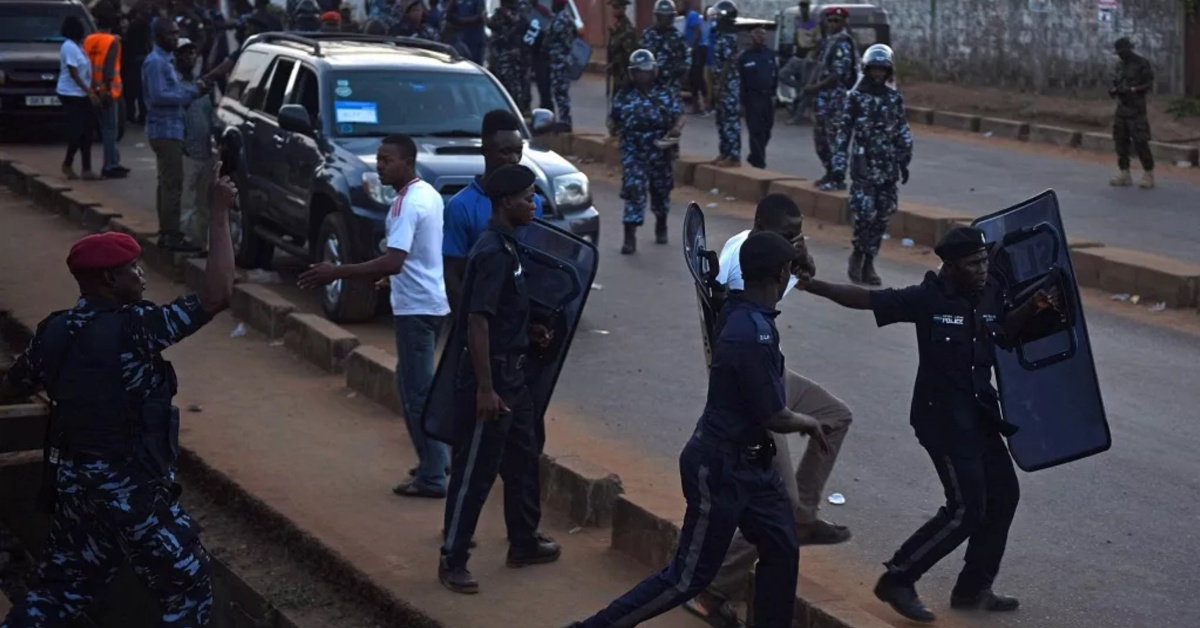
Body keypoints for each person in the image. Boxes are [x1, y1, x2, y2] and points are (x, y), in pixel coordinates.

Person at [0, 166, 238, 628]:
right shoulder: (136, 327)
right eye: (133, 267)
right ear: (110, 279)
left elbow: (13, 385)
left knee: (60, 590)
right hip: (130, 494)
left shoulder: (53, 331)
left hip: (75, 491)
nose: (141, 274)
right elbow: (216, 295)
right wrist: (219, 211)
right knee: (186, 588)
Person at [565, 231, 831, 628]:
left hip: (755, 469)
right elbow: (774, 416)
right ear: (778, 274)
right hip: (721, 469)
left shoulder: (741, 310)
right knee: (688, 577)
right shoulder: (750, 334)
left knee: (782, 546)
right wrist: (810, 422)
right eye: (788, 271)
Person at [800, 226, 1065, 623]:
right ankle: (898, 579)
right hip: (941, 420)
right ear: (951, 265)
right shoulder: (928, 298)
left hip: (979, 415)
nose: (981, 269)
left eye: (983, 261)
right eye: (973, 264)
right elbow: (866, 298)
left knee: (1004, 496)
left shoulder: (990, 291)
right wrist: (812, 286)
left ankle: (974, 588)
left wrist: (1037, 305)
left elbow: (1004, 331)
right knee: (965, 509)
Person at [684, 194, 854, 626]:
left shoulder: (768, 247)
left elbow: (808, 274)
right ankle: (713, 587)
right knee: (778, 507)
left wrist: (801, 248)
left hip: (771, 369)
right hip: (753, 386)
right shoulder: (747, 263)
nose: (790, 247)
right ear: (760, 228)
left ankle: (805, 518)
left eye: (795, 236)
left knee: (835, 416)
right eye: (785, 237)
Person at [297, 135, 453, 499]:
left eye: (387, 160)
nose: (380, 165)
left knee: (416, 395)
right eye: (379, 159)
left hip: (417, 310)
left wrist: (337, 271)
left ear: (407, 162)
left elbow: (394, 260)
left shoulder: (405, 204)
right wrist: (387, 274)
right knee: (412, 385)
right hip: (430, 303)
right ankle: (436, 460)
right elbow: (416, 255)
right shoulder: (427, 193)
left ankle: (432, 475)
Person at [438, 163, 560, 594]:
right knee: (475, 472)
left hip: (514, 376)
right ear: (506, 202)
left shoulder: (509, 248)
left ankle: (523, 542)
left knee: (524, 460)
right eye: (528, 198)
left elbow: (502, 314)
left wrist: (530, 330)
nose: (534, 204)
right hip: (490, 381)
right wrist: (486, 389)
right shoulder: (491, 252)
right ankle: (453, 559)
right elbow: (476, 323)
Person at [443, 109, 545, 312]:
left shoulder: (533, 202)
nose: (514, 159)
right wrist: (468, 322)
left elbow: (535, 265)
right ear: (485, 151)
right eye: (505, 152)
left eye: (518, 151)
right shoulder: (461, 206)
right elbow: (453, 275)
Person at [830, 45, 912, 286]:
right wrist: (838, 164)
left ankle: (870, 260)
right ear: (866, 70)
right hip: (863, 167)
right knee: (865, 214)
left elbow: (902, 130)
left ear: (888, 72)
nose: (878, 74)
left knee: (883, 216)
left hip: (888, 168)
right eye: (874, 69)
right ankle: (858, 254)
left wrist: (904, 159)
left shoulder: (894, 98)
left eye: (882, 69)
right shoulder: (855, 98)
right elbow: (843, 132)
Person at [609, 49, 684, 255]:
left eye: (646, 71)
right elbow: (613, 120)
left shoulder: (665, 93)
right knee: (634, 188)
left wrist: (676, 130)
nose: (643, 75)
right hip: (633, 148)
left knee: (661, 190)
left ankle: (661, 223)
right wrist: (615, 130)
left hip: (660, 148)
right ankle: (629, 236)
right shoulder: (624, 95)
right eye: (639, 72)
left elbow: (680, 115)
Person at [144, 16, 206, 252]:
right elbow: (160, 95)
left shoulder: (165, 61)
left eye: (177, 33)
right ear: (159, 37)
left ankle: (168, 232)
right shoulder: (156, 63)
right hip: (164, 129)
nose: (175, 38)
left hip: (170, 128)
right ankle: (171, 235)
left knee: (168, 183)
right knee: (173, 184)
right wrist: (190, 93)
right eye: (171, 34)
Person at [804, 6, 857, 191]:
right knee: (821, 140)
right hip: (823, 99)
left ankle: (838, 178)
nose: (832, 24)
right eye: (830, 20)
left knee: (836, 140)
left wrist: (815, 87)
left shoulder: (842, 43)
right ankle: (828, 172)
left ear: (843, 22)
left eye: (836, 20)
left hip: (836, 98)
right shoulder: (828, 42)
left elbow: (838, 75)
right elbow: (819, 66)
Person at [177, 38, 219, 253]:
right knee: (187, 199)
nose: (189, 57)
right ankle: (187, 238)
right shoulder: (175, 86)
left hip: (204, 150)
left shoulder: (201, 86)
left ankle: (201, 242)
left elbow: (210, 117)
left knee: (203, 202)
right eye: (184, 53)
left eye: (192, 53)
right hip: (186, 150)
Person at [83, 12, 129, 180]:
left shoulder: (88, 40)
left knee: (105, 128)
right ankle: (110, 165)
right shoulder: (112, 42)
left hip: (92, 90)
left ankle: (113, 161)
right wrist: (108, 91)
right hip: (107, 92)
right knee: (111, 130)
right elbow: (109, 69)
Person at [1108, 37, 1156, 189]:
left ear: (1129, 49)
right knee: (1120, 141)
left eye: (1123, 52)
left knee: (1141, 142)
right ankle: (1124, 173)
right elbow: (1115, 81)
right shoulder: (1119, 66)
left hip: (1136, 110)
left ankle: (1148, 174)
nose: (1121, 55)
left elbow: (1149, 84)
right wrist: (1115, 90)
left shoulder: (1141, 64)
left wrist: (1134, 90)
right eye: (1119, 53)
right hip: (1122, 108)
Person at [56, 16, 98, 182]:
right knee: (77, 131)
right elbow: (73, 73)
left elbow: (86, 70)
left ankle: (86, 169)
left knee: (88, 130)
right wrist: (89, 92)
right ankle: (67, 163)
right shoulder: (69, 47)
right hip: (70, 93)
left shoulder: (79, 47)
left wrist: (93, 87)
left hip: (81, 93)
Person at [738, 26, 777, 170]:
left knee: (767, 130)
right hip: (752, 97)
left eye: (763, 34)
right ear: (751, 36)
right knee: (755, 130)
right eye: (758, 34)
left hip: (767, 97)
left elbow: (775, 75)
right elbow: (740, 81)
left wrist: (774, 94)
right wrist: (742, 102)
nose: (761, 36)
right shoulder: (745, 57)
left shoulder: (769, 54)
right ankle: (759, 162)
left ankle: (754, 156)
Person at [710, 0, 741, 168]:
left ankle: (734, 155)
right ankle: (724, 152)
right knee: (721, 119)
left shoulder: (729, 38)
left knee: (730, 121)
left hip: (728, 85)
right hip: (722, 84)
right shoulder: (721, 35)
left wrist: (719, 85)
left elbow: (728, 63)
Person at [640, 0, 689, 95]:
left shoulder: (677, 36)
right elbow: (640, 56)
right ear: (658, 16)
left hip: (671, 85)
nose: (666, 19)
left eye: (669, 16)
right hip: (651, 84)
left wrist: (681, 75)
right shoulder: (648, 35)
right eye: (663, 16)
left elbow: (686, 59)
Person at [487, 0, 525, 110]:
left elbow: (517, 23)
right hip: (497, 52)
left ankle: (515, 109)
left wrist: (505, 13)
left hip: (510, 53)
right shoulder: (499, 12)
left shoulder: (516, 12)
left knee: (512, 83)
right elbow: (491, 24)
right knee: (498, 80)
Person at [546, 0, 577, 131]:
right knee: (558, 91)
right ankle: (563, 119)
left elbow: (550, 37)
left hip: (561, 60)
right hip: (559, 59)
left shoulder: (561, 19)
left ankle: (565, 121)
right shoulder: (563, 18)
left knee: (561, 92)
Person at [605, 0, 637, 107]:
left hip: (624, 75)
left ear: (622, 9)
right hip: (617, 74)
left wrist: (614, 63)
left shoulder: (627, 29)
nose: (613, 10)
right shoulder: (617, 27)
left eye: (615, 7)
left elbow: (629, 55)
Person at [683, 6, 709, 115]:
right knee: (695, 77)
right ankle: (697, 105)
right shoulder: (687, 17)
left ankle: (700, 105)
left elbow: (698, 30)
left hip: (698, 50)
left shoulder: (692, 14)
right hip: (697, 49)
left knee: (695, 77)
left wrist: (692, 47)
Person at [444, 0, 487, 64]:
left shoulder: (479, 1)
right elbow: (448, 14)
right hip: (460, 38)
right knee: (459, 62)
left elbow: (480, 17)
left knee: (475, 63)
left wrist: (460, 21)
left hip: (475, 39)